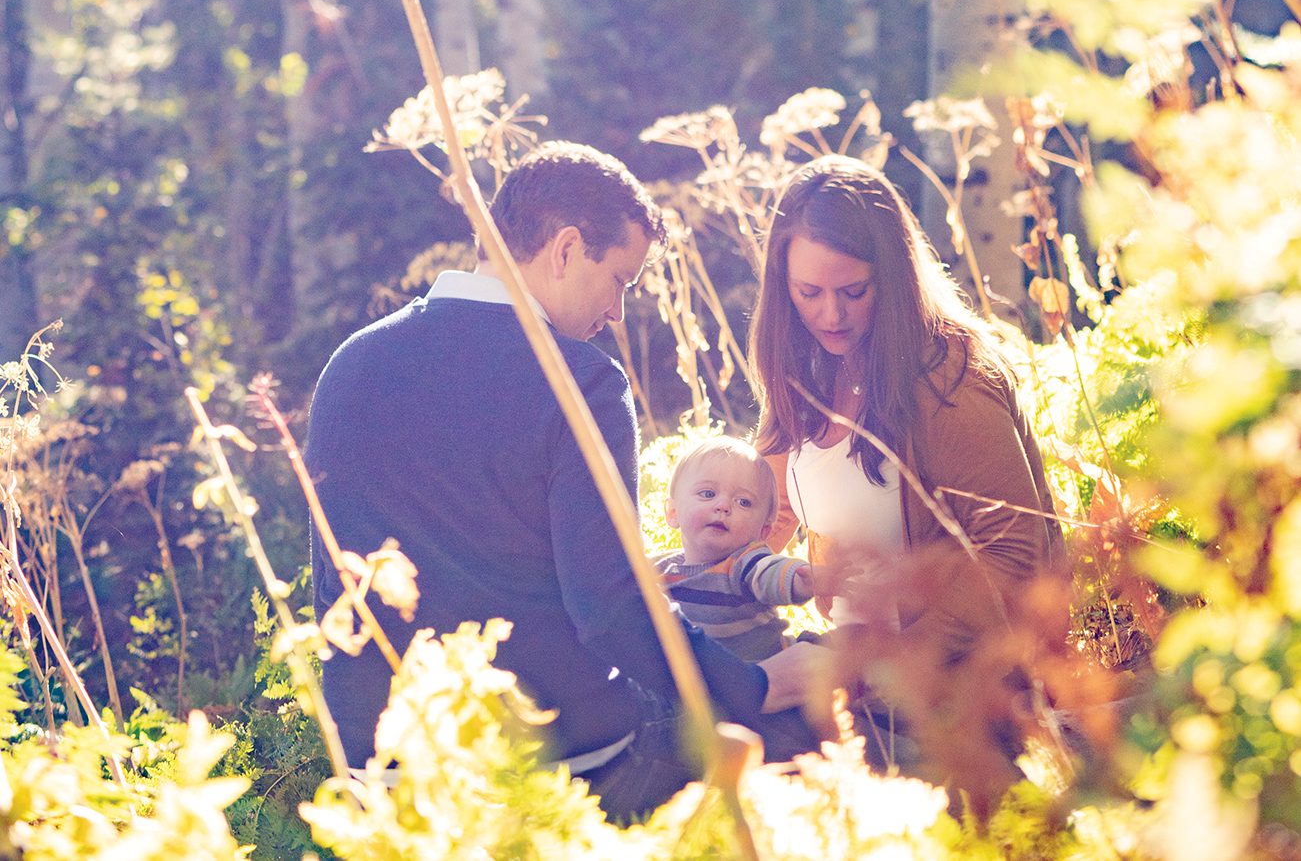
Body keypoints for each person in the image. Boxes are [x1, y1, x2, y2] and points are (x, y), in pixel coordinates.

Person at [306, 141, 826, 820]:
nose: (615, 312)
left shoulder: (350, 364)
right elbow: (609, 604)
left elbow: (330, 583)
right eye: (618, 279)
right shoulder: (577, 381)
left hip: (379, 766)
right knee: (790, 748)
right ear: (565, 248)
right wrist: (751, 684)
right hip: (553, 760)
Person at [748, 154, 1063, 773]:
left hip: (951, 694)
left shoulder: (953, 379)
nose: (831, 315)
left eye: (854, 292)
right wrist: (704, 571)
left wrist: (892, 664)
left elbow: (1010, 556)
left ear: (892, 279)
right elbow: (775, 510)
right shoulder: (802, 368)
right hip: (849, 674)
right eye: (809, 293)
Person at [656, 435, 829, 662]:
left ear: (764, 532)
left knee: (815, 664)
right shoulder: (658, 570)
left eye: (743, 502)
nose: (723, 506)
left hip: (770, 674)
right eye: (708, 494)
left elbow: (768, 572)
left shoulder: (745, 563)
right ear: (673, 512)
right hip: (708, 683)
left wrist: (800, 580)